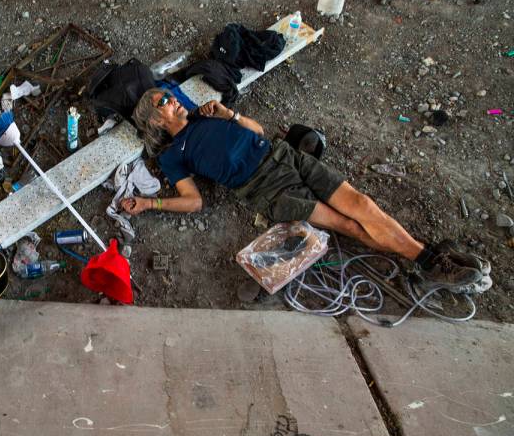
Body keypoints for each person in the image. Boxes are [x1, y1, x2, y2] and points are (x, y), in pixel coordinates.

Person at [123, 88, 488, 289]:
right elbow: (194, 201)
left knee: (360, 203)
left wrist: (229, 115)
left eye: (169, 94)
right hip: (267, 188)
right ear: (155, 119)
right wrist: (148, 204)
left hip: (284, 156)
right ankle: (430, 260)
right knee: (346, 225)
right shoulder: (174, 155)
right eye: (164, 100)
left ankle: (429, 260)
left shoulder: (206, 114)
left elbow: (258, 133)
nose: (172, 98)